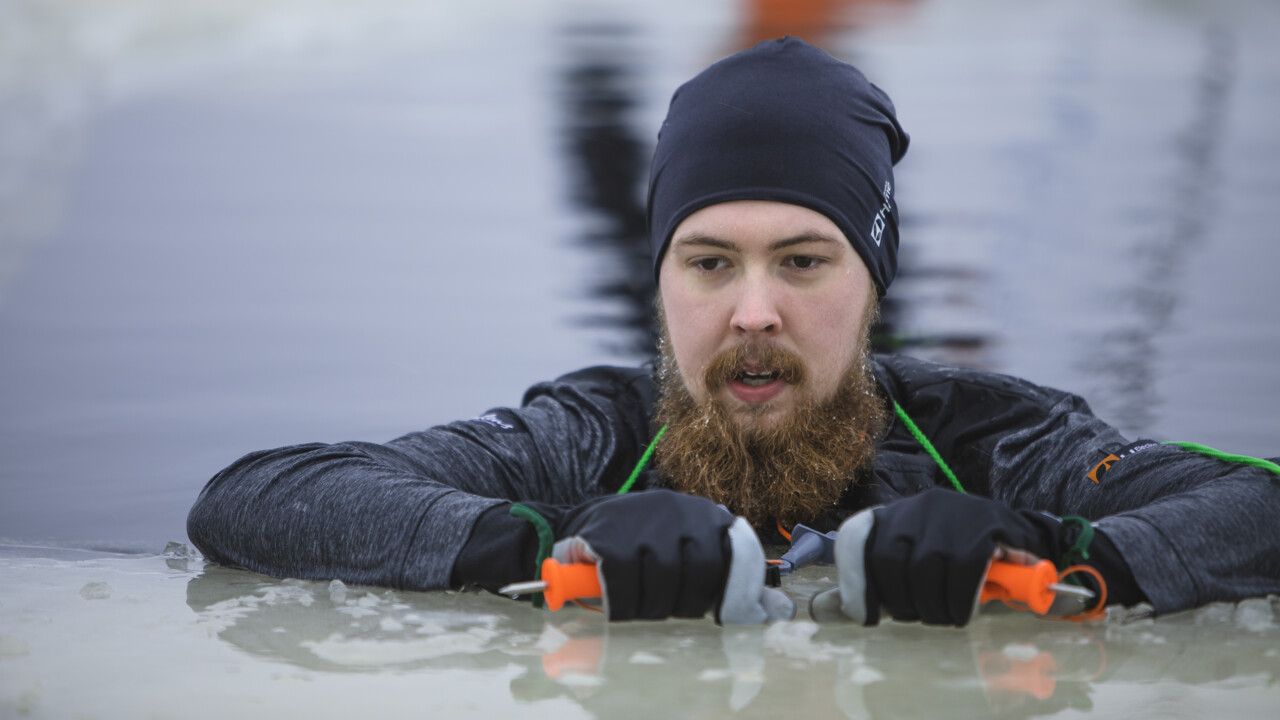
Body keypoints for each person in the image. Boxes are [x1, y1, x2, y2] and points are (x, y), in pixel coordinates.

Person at [187, 37, 1280, 626]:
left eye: (803, 262)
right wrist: (549, 542)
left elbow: (1257, 501)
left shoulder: (994, 437)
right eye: (709, 264)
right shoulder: (593, 432)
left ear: (873, 284)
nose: (753, 311)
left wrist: (1057, 548)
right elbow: (261, 495)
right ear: (661, 284)